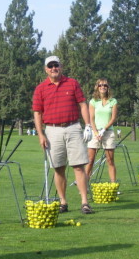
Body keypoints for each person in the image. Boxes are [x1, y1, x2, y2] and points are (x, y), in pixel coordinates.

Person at [32, 55, 94, 214]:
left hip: (73, 127)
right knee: (58, 168)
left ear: (61, 66)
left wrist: (88, 125)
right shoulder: (41, 88)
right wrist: (40, 134)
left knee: (78, 166)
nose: (54, 68)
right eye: (50, 66)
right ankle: (63, 202)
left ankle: (85, 202)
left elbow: (82, 105)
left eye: (56, 65)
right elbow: (37, 113)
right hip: (52, 130)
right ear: (46, 69)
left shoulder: (72, 83)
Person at [85, 78, 118, 183]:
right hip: (95, 132)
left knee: (110, 160)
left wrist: (104, 130)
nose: (103, 87)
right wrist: (96, 132)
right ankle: (85, 184)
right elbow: (91, 118)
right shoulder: (93, 101)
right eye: (100, 85)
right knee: (90, 160)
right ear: (97, 87)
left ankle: (113, 184)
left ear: (108, 87)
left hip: (108, 132)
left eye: (105, 85)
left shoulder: (113, 101)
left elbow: (113, 118)